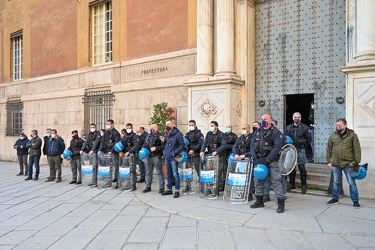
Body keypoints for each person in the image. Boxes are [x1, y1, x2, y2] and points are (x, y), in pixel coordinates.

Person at [249, 113, 287, 213]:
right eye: (262, 119)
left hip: (272, 161)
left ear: (270, 121)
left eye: (265, 119)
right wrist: (255, 157)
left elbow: (277, 147)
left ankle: (280, 203)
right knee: (258, 181)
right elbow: (252, 145)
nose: (263, 121)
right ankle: (259, 201)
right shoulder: (257, 132)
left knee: (276, 182)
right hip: (259, 160)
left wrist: (268, 160)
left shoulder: (276, 132)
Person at [326, 118, 361, 208]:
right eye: (337, 125)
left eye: (340, 125)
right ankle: (335, 198)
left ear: (345, 125)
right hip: (336, 163)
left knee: (351, 182)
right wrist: (329, 161)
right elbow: (329, 149)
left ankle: (355, 200)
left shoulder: (352, 135)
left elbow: (357, 150)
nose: (338, 126)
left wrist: (355, 162)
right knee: (336, 182)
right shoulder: (333, 135)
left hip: (348, 163)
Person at [285, 112, 311, 194]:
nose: (297, 118)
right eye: (295, 117)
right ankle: (292, 184)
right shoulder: (288, 128)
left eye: (298, 117)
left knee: (302, 167)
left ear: (301, 118)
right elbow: (285, 138)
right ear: (293, 118)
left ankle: (304, 185)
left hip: (301, 149)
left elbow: (309, 139)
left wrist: (303, 145)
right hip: (291, 149)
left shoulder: (305, 128)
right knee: (291, 168)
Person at [200, 121, 227, 194]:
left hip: (219, 156)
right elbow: (204, 143)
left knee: (217, 173)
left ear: (216, 126)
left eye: (212, 125)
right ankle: (210, 188)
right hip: (210, 156)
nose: (211, 127)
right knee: (210, 173)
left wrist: (217, 151)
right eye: (210, 125)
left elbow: (224, 145)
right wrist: (202, 151)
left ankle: (216, 190)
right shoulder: (209, 134)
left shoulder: (221, 135)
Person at [160, 120, 185, 198]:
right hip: (167, 157)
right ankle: (169, 189)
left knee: (175, 174)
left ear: (173, 125)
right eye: (166, 124)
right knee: (168, 174)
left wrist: (175, 152)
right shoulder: (166, 134)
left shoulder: (178, 134)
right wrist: (163, 141)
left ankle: (177, 190)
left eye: (168, 124)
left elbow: (182, 145)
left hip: (173, 157)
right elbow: (165, 145)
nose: (167, 125)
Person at [232, 124, 254, 200]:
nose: (243, 129)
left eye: (245, 128)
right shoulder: (240, 138)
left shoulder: (252, 138)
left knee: (249, 177)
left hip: (248, 159)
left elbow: (253, 150)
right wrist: (236, 154)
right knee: (241, 177)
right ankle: (241, 192)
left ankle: (249, 193)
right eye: (242, 128)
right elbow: (234, 146)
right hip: (240, 160)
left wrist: (245, 155)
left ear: (249, 129)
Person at [142, 124, 165, 193]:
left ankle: (161, 187)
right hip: (148, 156)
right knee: (148, 172)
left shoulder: (160, 136)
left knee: (159, 172)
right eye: (151, 128)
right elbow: (145, 144)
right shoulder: (148, 136)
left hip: (156, 156)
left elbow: (163, 146)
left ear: (156, 128)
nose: (152, 129)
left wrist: (156, 148)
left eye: (153, 128)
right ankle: (148, 186)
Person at [98, 119, 120, 184]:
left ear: (112, 124)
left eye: (108, 124)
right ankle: (108, 179)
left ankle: (117, 179)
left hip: (113, 152)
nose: (107, 125)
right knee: (108, 166)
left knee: (116, 166)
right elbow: (102, 141)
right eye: (106, 124)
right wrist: (100, 149)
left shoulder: (116, 133)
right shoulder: (106, 132)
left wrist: (111, 151)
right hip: (107, 152)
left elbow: (116, 143)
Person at [117, 123, 137, 190]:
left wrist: (129, 152)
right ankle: (126, 183)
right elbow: (121, 144)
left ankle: (133, 184)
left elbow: (136, 145)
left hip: (131, 155)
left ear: (132, 128)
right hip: (124, 155)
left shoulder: (134, 136)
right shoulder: (125, 136)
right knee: (125, 169)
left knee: (132, 169)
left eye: (129, 128)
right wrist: (120, 151)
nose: (128, 129)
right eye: (127, 128)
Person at [223, 124, 238, 191]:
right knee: (224, 170)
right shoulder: (223, 135)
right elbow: (222, 145)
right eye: (227, 127)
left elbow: (236, 145)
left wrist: (227, 146)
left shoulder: (234, 136)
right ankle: (223, 185)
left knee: (231, 169)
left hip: (231, 154)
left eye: (229, 127)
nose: (228, 128)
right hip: (224, 154)